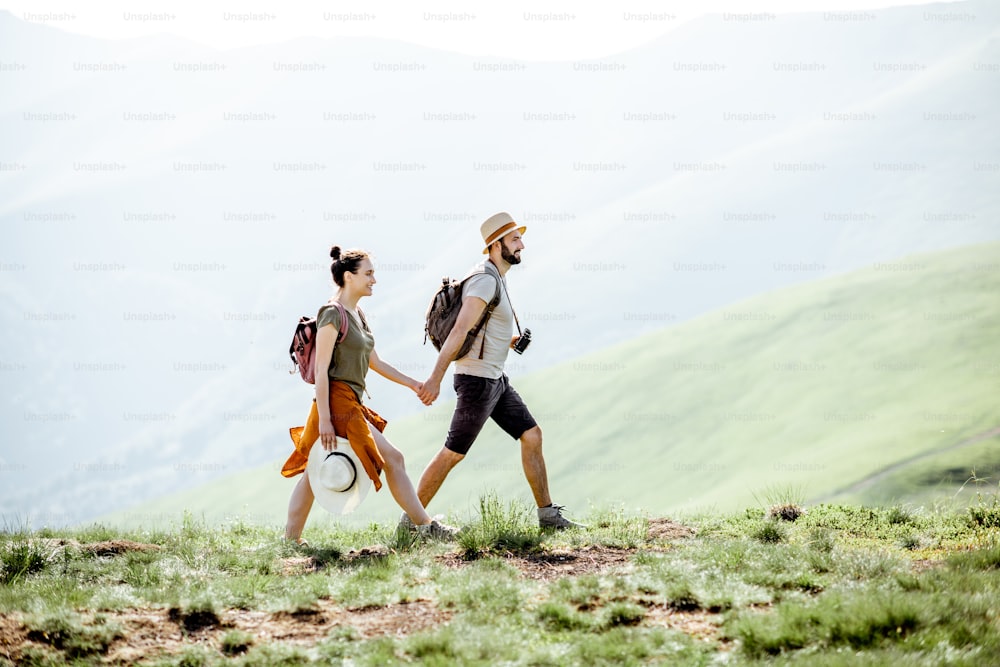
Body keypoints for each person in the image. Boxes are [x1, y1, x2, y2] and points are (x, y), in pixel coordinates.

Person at [412, 212, 584, 530]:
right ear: (496, 244)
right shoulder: (484, 279)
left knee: (532, 436)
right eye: (515, 239)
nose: (522, 245)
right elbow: (460, 330)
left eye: (520, 238)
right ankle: (412, 522)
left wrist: (510, 341)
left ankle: (548, 517)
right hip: (476, 381)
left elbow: (482, 329)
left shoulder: (496, 277)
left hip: (495, 380)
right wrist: (434, 379)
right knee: (453, 452)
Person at [283, 246, 458, 543]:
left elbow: (375, 362)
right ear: (349, 277)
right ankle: (424, 527)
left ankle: (290, 540)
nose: (374, 280)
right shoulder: (331, 314)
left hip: (349, 400)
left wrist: (413, 383)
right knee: (393, 457)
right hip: (336, 401)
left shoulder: (357, 314)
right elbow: (323, 370)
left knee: (313, 469)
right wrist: (326, 419)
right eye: (368, 273)